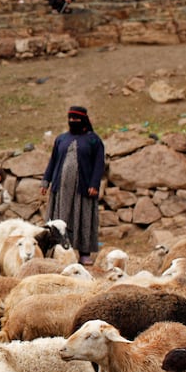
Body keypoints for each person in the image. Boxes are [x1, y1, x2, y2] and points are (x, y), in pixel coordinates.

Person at [40, 106, 105, 265]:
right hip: (60, 188)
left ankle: (84, 253)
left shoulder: (93, 140)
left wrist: (94, 184)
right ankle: (57, 252)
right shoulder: (61, 139)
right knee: (59, 220)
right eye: (70, 118)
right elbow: (53, 161)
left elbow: (99, 164)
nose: (72, 121)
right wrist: (46, 181)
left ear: (83, 120)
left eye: (76, 119)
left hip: (83, 189)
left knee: (83, 218)